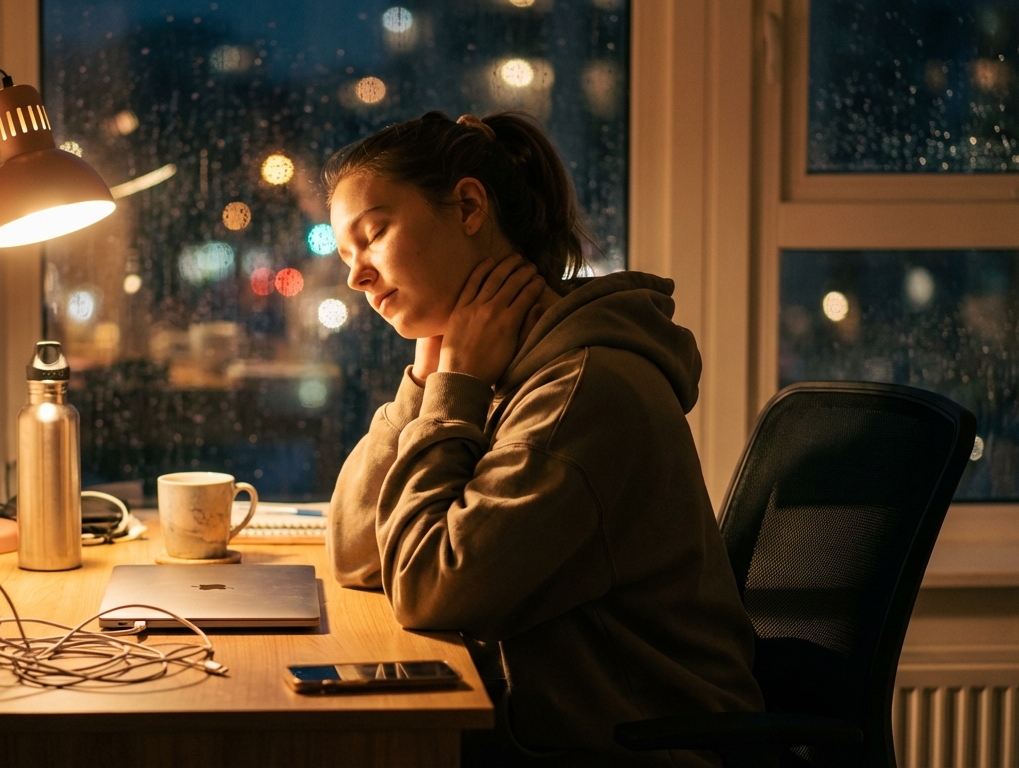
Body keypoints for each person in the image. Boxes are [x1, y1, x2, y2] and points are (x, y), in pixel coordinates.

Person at [323, 111, 764, 767]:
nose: (358, 276)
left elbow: (424, 589)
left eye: (375, 234)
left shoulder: (584, 391)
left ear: (470, 206)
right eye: (345, 256)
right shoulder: (505, 372)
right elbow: (356, 550)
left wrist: (455, 387)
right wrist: (426, 378)